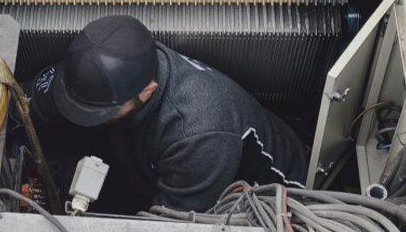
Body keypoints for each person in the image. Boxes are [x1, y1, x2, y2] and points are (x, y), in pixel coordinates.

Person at [28, 15, 306, 213]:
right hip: (158, 156)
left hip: (266, 195)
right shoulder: (104, 65)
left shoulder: (197, 134)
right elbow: (30, 98)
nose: (88, 117)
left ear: (148, 90)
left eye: (102, 112)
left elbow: (166, 230)